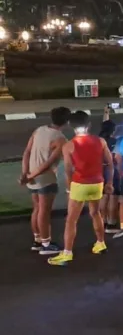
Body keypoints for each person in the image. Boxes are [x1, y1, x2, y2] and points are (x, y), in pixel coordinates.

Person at [48, 111, 114, 266]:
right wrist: (109, 183)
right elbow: (110, 164)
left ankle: (67, 252)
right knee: (95, 213)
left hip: (79, 184)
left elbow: (68, 171)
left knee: (71, 219)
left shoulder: (69, 145)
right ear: (89, 124)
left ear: (71, 126)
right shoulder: (101, 141)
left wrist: (69, 188)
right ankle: (100, 243)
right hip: (97, 182)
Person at [20, 106, 70, 255]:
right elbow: (48, 164)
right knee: (44, 211)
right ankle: (46, 244)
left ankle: (38, 240)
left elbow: (27, 152)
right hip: (45, 179)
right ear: (67, 122)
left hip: (31, 177)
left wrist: (25, 174)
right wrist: (30, 176)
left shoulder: (39, 130)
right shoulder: (61, 139)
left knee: (37, 208)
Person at [98, 115, 120, 236]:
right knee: (113, 196)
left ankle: (103, 221)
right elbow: (117, 157)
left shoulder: (98, 141)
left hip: (100, 170)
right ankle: (112, 223)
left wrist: (106, 113)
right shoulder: (115, 142)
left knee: (103, 196)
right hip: (112, 170)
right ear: (113, 130)